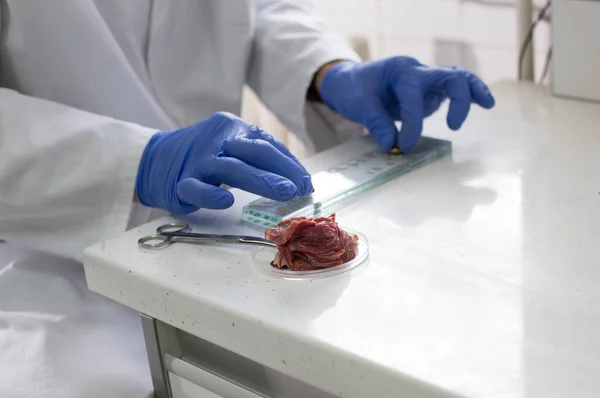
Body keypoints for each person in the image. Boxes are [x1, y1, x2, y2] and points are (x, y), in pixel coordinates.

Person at [0, 1, 495, 397]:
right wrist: (137, 161)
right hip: (54, 257)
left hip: (220, 233)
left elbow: (257, 13)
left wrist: (327, 72)